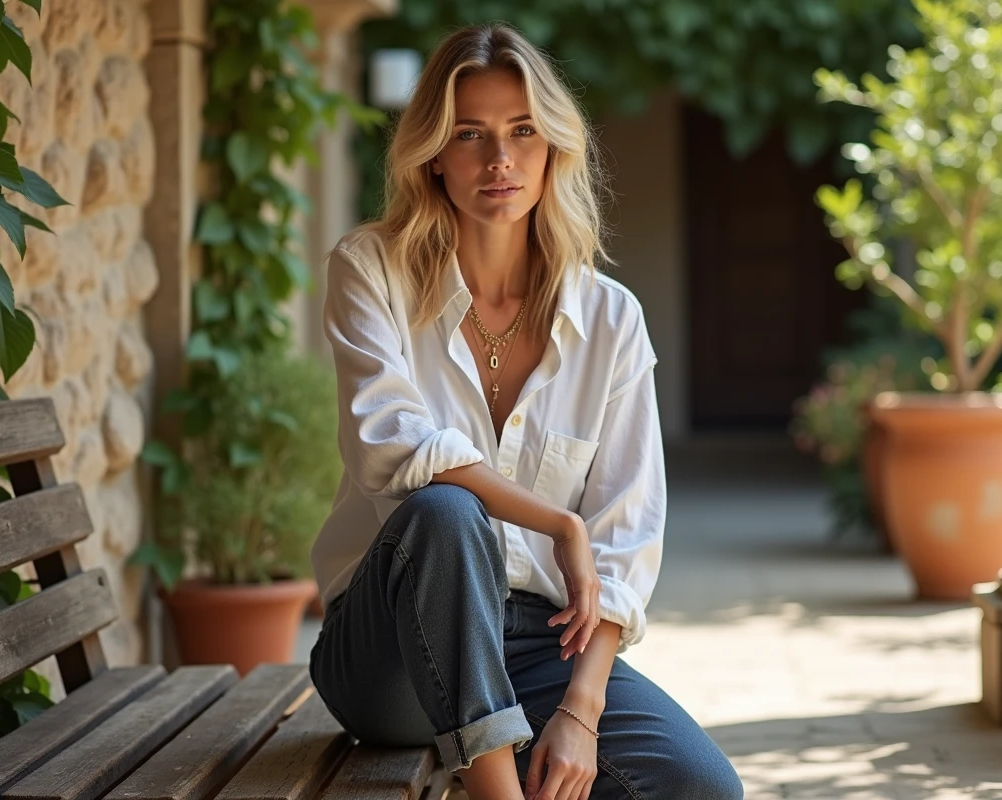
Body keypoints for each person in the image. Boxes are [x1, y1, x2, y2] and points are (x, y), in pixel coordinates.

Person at [308, 22, 744, 800]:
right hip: (387, 652)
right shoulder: (369, 268)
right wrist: (557, 522)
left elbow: (627, 531)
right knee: (445, 513)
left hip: (538, 645)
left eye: (522, 133)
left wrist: (582, 708)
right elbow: (391, 447)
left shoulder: (611, 319)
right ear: (434, 153)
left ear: (553, 150)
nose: (499, 160)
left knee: (700, 788)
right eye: (469, 134)